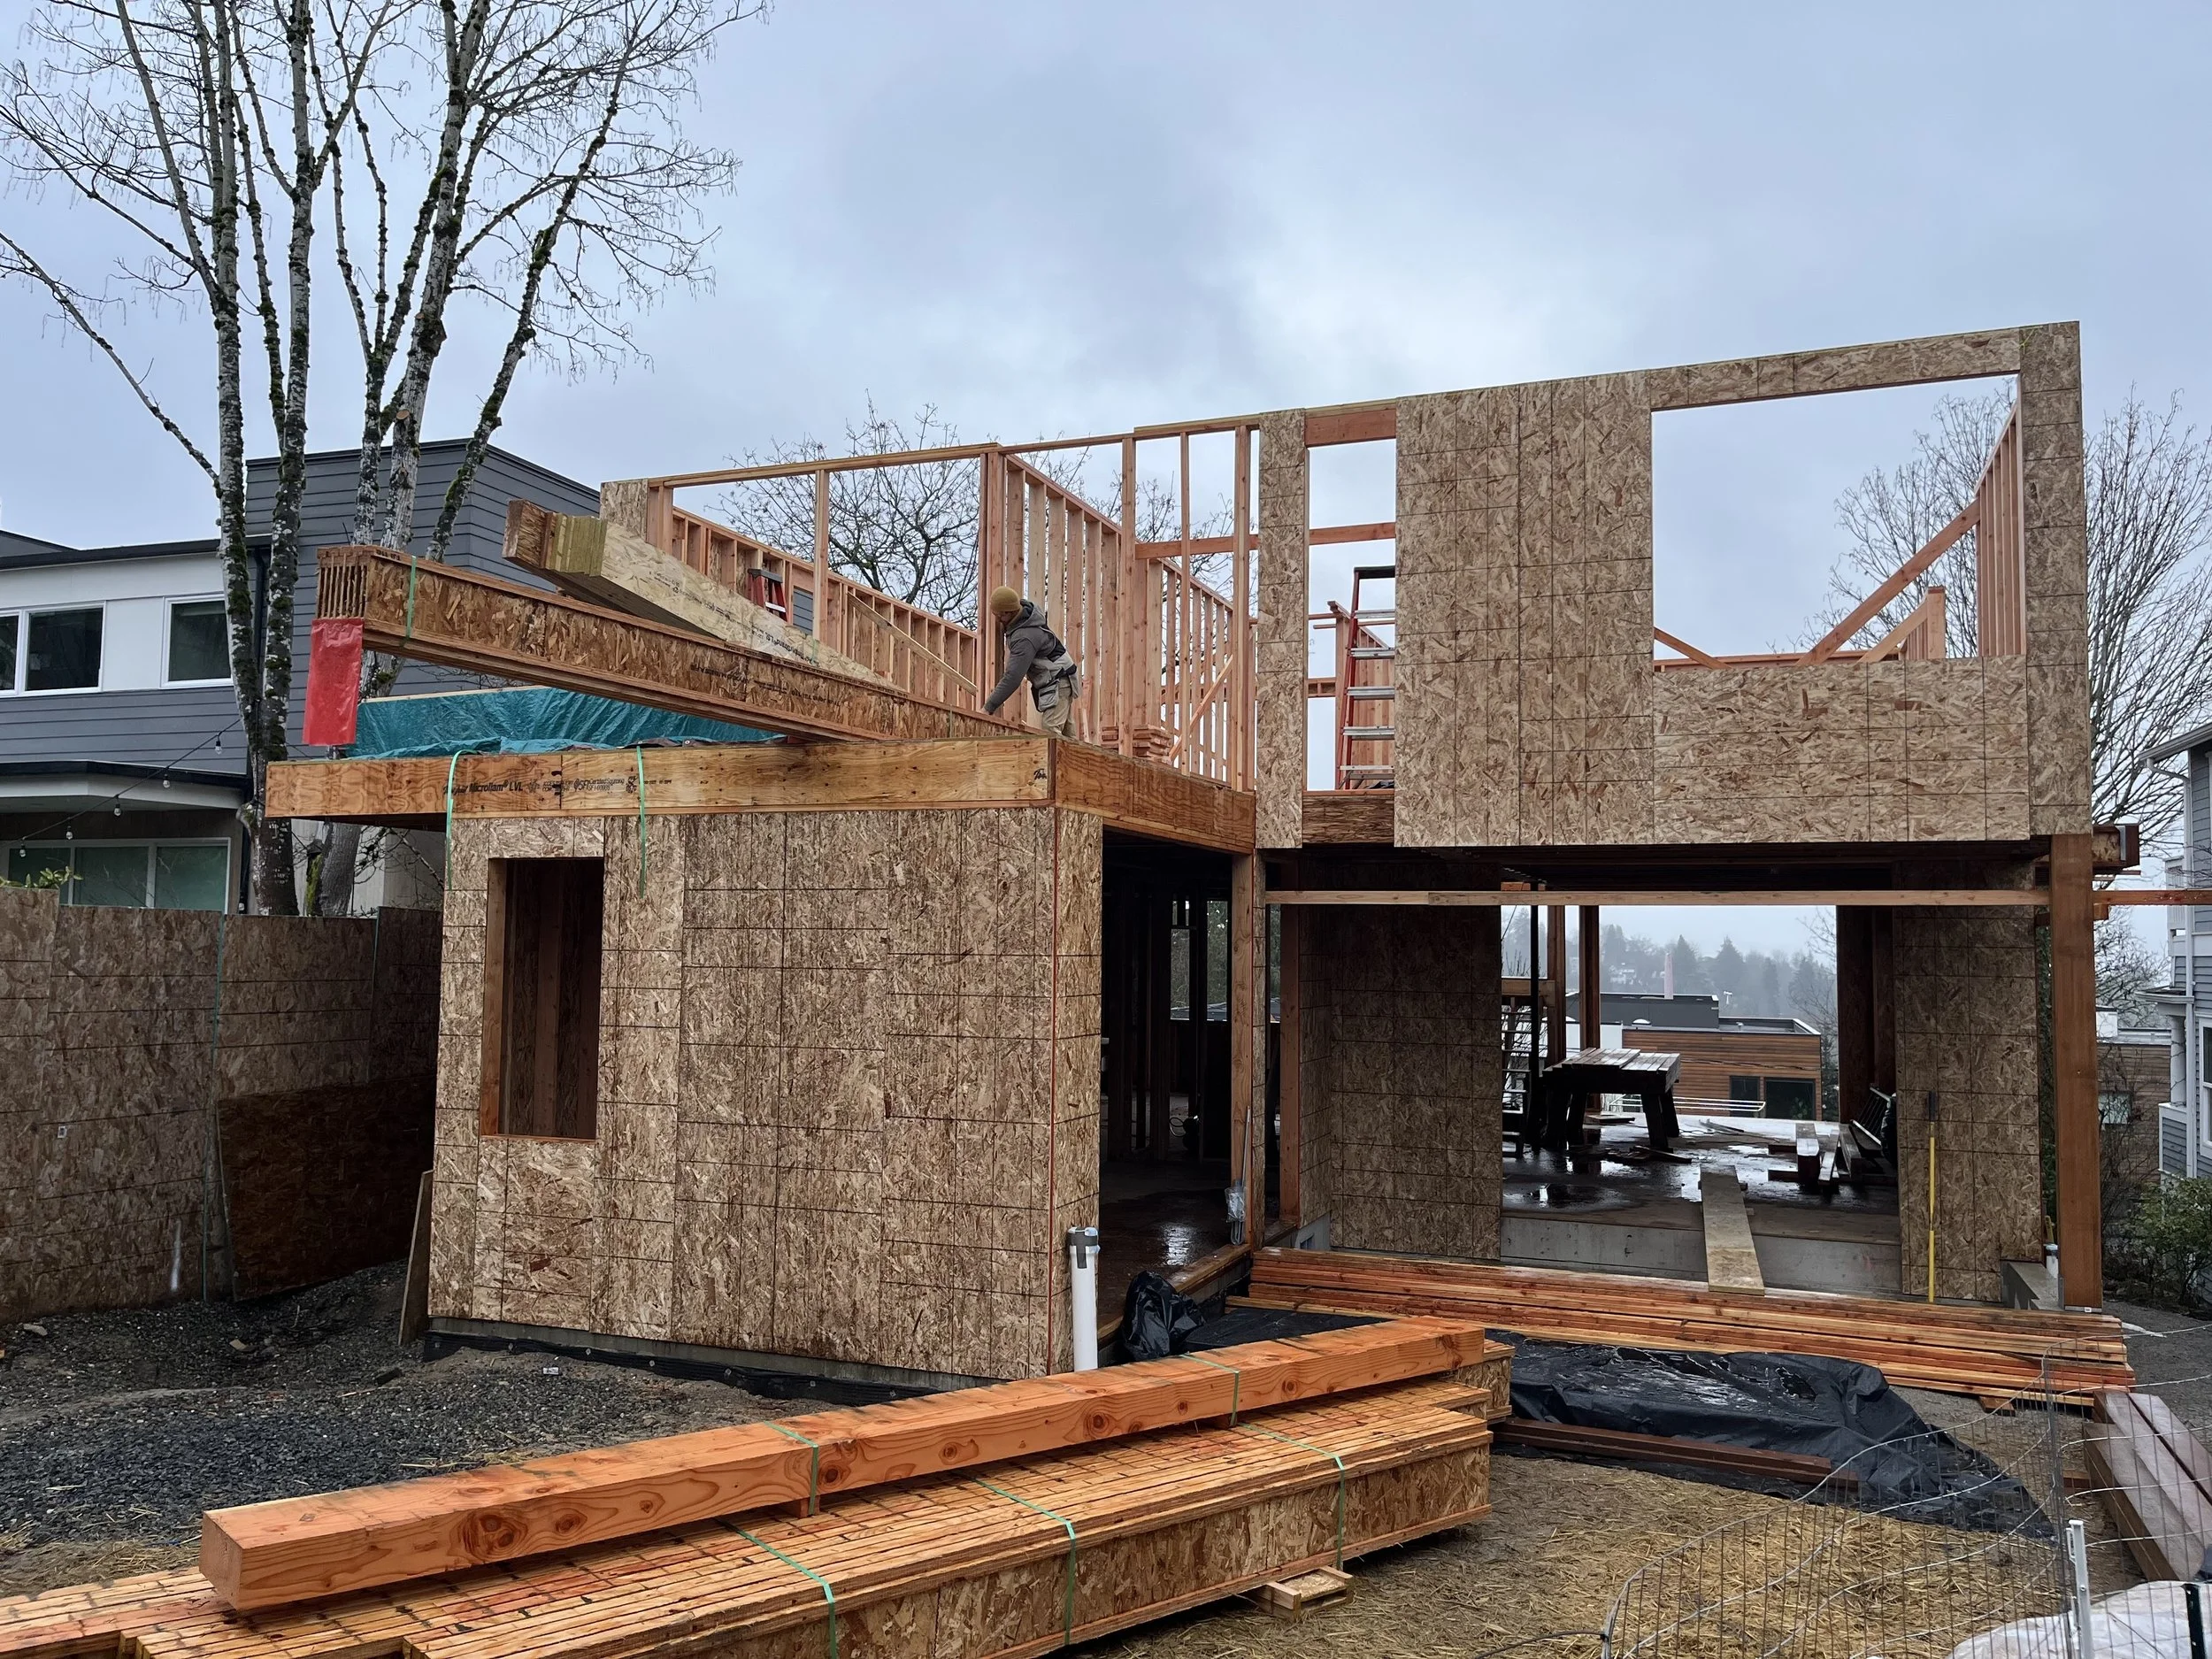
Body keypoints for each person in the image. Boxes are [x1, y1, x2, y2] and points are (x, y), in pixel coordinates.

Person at [983, 585, 1080, 739]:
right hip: (1061, 676)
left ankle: (1060, 762)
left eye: (999, 615)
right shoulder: (1025, 618)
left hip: (1059, 679)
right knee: (1067, 735)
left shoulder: (1025, 637)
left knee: (1051, 732)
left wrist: (989, 707)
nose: (997, 620)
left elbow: (1013, 677)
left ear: (1009, 612)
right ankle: (1079, 762)